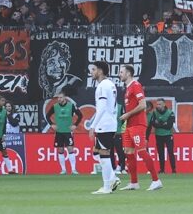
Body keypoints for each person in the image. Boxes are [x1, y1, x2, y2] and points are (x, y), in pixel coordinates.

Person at [116, 65, 161, 191]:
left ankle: (156, 180)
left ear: (129, 73)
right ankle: (134, 182)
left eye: (121, 72)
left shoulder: (136, 85)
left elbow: (142, 105)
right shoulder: (128, 88)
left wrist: (127, 114)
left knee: (141, 151)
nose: (120, 74)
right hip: (129, 125)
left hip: (138, 124)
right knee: (128, 152)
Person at [88, 60, 121, 194]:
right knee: (97, 153)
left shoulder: (102, 86)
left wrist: (93, 126)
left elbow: (101, 108)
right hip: (109, 124)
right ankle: (112, 178)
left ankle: (107, 186)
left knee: (104, 156)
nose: (92, 72)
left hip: (104, 125)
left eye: (94, 70)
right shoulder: (111, 84)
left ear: (100, 71)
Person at [46, 92, 80, 175]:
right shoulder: (55, 106)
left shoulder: (71, 106)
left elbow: (80, 115)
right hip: (59, 132)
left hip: (68, 131)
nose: (59, 99)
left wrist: (75, 125)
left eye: (61, 97)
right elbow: (47, 116)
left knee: (70, 149)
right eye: (58, 98)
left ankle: (73, 169)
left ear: (64, 98)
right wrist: (52, 124)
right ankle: (63, 170)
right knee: (60, 149)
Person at [148, 99, 178, 172]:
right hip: (158, 135)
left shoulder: (170, 113)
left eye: (160, 104)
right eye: (157, 104)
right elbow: (153, 124)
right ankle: (162, 169)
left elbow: (169, 125)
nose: (158, 106)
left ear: (164, 104)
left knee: (170, 151)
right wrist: (163, 123)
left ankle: (173, 169)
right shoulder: (154, 113)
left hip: (168, 135)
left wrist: (159, 124)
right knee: (160, 153)